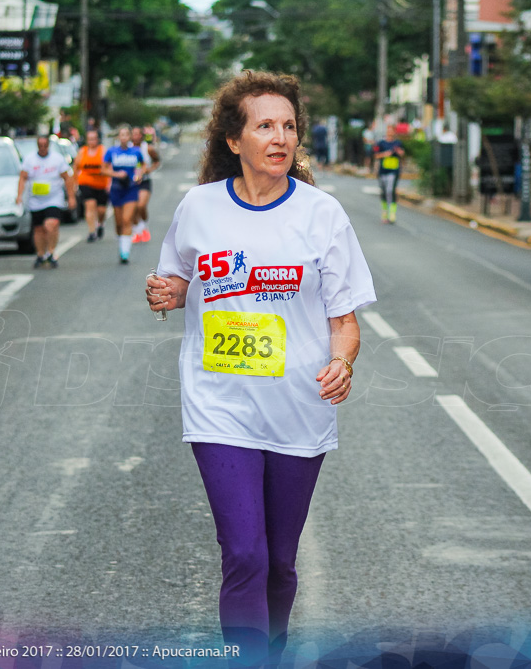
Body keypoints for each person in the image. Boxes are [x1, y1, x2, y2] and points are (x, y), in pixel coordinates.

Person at [145, 70, 375, 666]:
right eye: (264, 125)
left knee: (278, 562)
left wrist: (342, 363)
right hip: (218, 404)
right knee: (244, 552)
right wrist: (166, 291)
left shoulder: (323, 215)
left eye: (289, 126)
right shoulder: (198, 208)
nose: (280, 137)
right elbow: (177, 277)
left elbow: (344, 321)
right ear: (233, 140)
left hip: (298, 410)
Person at [17, 134, 75, 268]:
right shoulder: (29, 160)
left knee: (51, 225)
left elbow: (67, 177)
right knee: (39, 229)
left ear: (48, 145)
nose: (42, 148)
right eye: (40, 146)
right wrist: (19, 195)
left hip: (53, 199)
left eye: (45, 145)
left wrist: (71, 197)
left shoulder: (57, 159)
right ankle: (41, 254)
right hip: (36, 200)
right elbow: (23, 177)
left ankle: (51, 252)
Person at [102, 125, 145, 264]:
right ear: (118, 137)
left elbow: (142, 165)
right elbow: (103, 169)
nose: (124, 137)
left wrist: (139, 174)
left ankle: (125, 253)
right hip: (116, 189)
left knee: (127, 220)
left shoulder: (136, 151)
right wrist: (116, 174)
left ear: (130, 136)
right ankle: (122, 243)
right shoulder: (112, 152)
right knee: (119, 222)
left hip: (131, 189)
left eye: (127, 134)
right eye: (122, 135)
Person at [75, 129, 111, 243]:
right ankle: (92, 232)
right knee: (90, 205)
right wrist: (75, 183)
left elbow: (109, 168)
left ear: (97, 139)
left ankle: (100, 224)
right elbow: (76, 168)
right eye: (89, 139)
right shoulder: (82, 152)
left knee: (101, 210)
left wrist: (109, 183)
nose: (92, 141)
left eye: (94, 139)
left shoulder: (103, 151)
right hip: (86, 182)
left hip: (101, 184)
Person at [129, 125, 161, 245]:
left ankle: (144, 224)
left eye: (138, 134)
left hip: (145, 181)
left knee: (141, 205)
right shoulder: (128, 149)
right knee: (133, 207)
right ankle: (137, 230)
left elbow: (157, 161)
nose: (135, 136)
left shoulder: (147, 148)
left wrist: (149, 169)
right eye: (133, 134)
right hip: (131, 182)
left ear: (141, 136)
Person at [374, 124, 405, 223]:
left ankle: (392, 213)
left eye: (392, 131)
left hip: (394, 170)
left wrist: (399, 152)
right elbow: (376, 155)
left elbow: (403, 154)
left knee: (390, 190)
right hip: (383, 170)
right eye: (389, 130)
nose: (390, 133)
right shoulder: (381, 143)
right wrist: (385, 154)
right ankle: (384, 211)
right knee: (383, 191)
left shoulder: (398, 143)